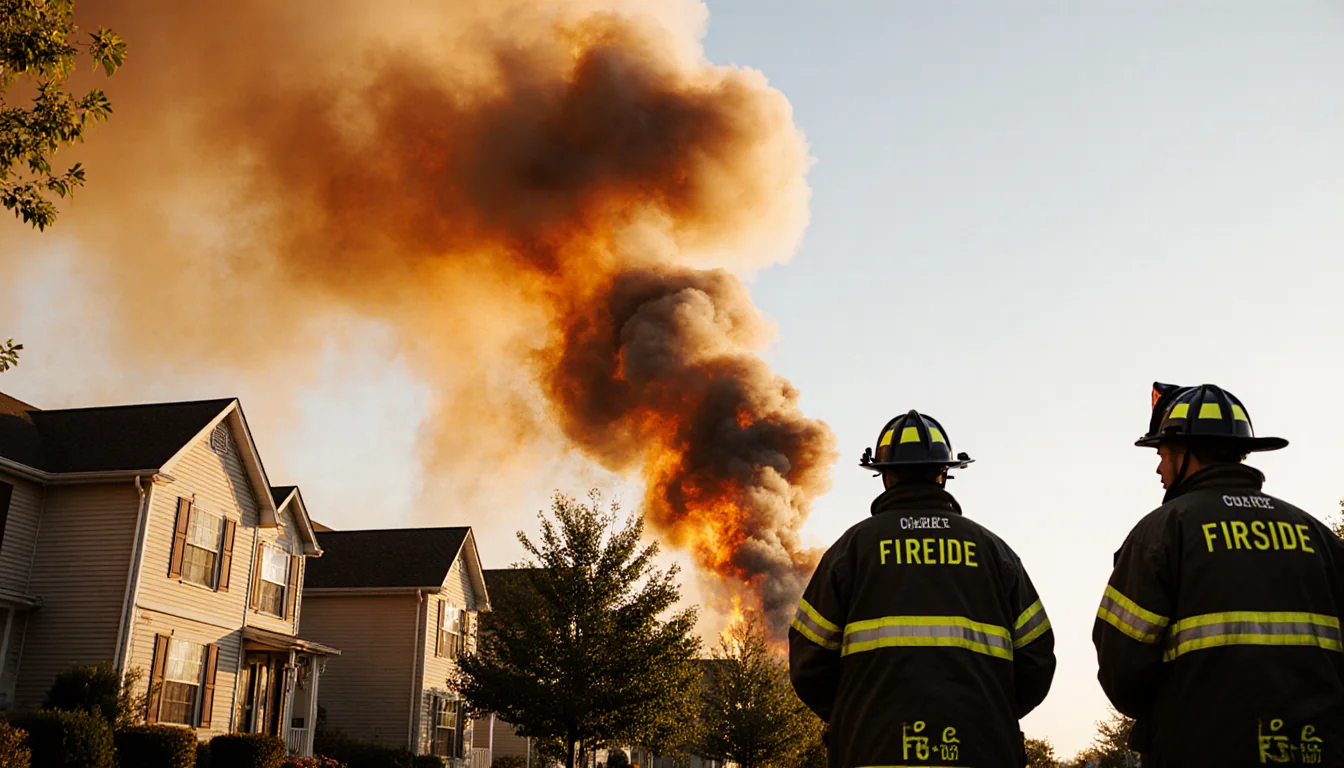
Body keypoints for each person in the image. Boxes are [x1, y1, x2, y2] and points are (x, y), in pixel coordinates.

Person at [1094, 382, 1344, 766]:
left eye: (1162, 454)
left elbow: (1121, 668)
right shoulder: (1319, 538)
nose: (1159, 468)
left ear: (1186, 454)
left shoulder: (1162, 533)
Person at [789, 410, 1056, 768]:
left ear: (886, 477)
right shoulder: (995, 554)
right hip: (982, 751)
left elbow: (808, 665)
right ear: (943, 474)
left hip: (871, 752)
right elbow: (1037, 659)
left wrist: (857, 717)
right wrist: (990, 714)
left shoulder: (851, 551)